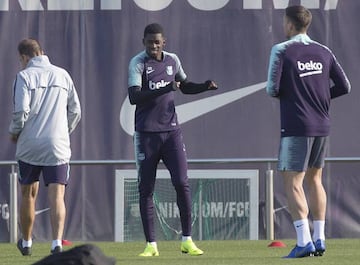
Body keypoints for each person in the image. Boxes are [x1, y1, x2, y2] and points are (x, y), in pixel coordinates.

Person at [266, 6, 351, 258]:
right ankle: (320, 238)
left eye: (284, 22)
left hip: (296, 126)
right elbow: (344, 86)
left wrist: (297, 95)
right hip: (322, 125)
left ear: (290, 24)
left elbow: (272, 88)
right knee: (314, 179)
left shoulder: (281, 50)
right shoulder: (324, 51)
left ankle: (304, 241)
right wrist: (319, 96)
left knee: (292, 182)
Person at [127, 23, 218, 257]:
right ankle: (151, 245)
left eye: (157, 42)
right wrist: (166, 88)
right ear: (143, 42)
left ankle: (187, 240)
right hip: (146, 135)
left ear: (164, 42)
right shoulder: (138, 63)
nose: (153, 46)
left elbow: (184, 87)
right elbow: (134, 97)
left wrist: (204, 87)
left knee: (182, 183)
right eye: (149, 42)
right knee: (146, 189)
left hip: (172, 134)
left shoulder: (172, 60)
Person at [9, 39, 81, 256]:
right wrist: (63, 131)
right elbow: (75, 110)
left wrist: (14, 132)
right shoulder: (63, 74)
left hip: (30, 143)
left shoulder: (24, 76)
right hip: (57, 145)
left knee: (28, 193)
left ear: (24, 57)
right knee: (57, 194)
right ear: (42, 52)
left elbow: (21, 111)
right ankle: (56, 242)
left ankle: (27, 242)